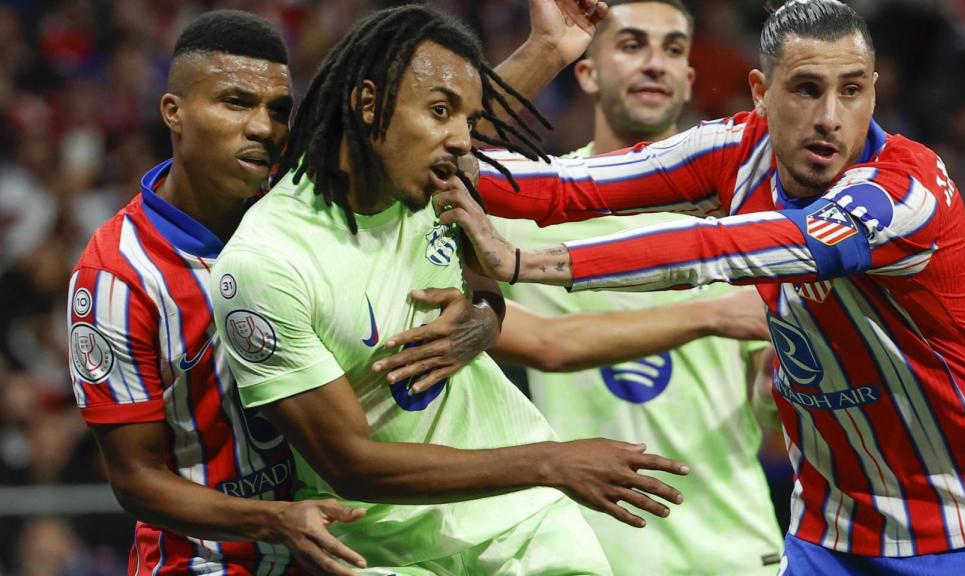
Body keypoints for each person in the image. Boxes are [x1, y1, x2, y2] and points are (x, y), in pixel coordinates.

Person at [439, 0, 965, 573]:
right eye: (805, 89)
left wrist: (522, 262)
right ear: (760, 93)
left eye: (851, 91)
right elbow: (558, 185)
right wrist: (436, 134)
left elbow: (726, 249)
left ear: (874, 89)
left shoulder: (905, 191)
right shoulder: (736, 152)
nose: (830, 116)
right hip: (832, 532)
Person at [210, 4, 685, 575]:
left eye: (468, 121)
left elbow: (449, 126)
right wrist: (553, 461)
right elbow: (350, 464)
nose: (463, 141)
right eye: (441, 113)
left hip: (522, 524)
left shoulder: (432, 178)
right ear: (367, 105)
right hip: (383, 553)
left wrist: (487, 311)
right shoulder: (268, 263)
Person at [66, 12, 373, 575]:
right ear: (174, 113)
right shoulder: (116, 274)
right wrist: (273, 520)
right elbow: (136, 481)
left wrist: (483, 307)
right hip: (206, 563)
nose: (263, 128)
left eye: (278, 110)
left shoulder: (303, 214)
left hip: (341, 550)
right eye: (236, 103)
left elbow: (421, 138)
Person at [488, 1, 784, 573]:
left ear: (689, 79)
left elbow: (764, 392)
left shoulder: (739, 213)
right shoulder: (529, 211)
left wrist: (780, 388)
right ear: (588, 71)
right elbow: (445, 148)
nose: (655, 63)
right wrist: (541, 48)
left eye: (673, 49)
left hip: (735, 551)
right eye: (632, 45)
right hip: (591, 554)